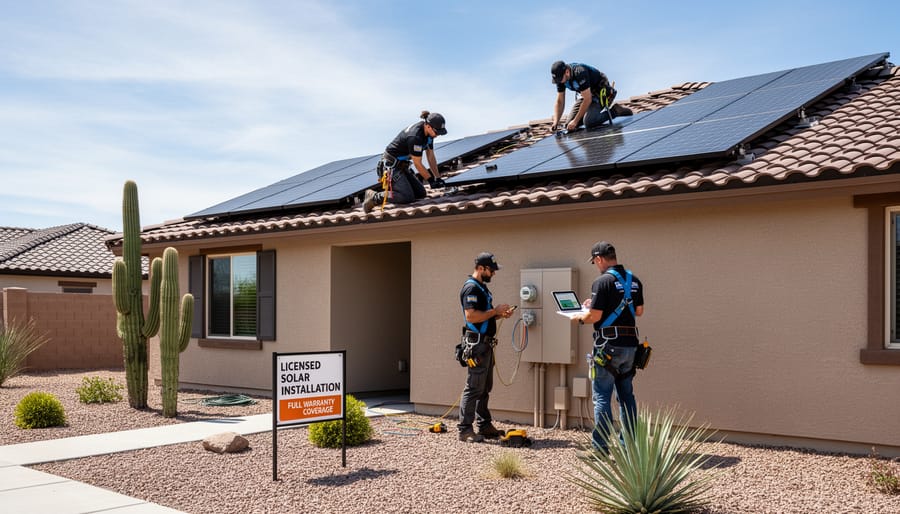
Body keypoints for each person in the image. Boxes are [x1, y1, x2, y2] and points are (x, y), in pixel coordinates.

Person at [574, 241, 644, 452]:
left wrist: (578, 317)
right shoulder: (634, 281)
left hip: (608, 346)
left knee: (602, 396)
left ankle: (601, 447)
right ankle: (628, 446)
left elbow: (594, 317)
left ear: (599, 259)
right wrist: (594, 304)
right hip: (631, 346)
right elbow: (638, 311)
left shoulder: (601, 282)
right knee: (626, 396)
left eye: (595, 261)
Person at [457, 252, 513, 442]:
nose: (494, 274)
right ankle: (465, 429)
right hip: (477, 345)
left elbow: (485, 314)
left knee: (485, 387)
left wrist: (499, 314)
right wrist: (494, 311)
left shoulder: (482, 288)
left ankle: (484, 425)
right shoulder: (471, 288)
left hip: (486, 344)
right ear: (481, 268)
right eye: (491, 270)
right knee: (474, 387)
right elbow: (471, 316)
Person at [363, 111, 448, 213]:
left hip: (402, 167)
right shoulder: (415, 136)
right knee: (406, 197)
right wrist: (430, 180)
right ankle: (374, 196)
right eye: (437, 132)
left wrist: (437, 177)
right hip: (391, 167)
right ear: (428, 126)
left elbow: (430, 156)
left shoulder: (429, 135)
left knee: (420, 193)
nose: (437, 135)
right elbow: (417, 164)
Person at [550, 60, 633, 132]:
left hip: (600, 91)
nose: (559, 82)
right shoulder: (561, 80)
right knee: (569, 125)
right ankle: (584, 117)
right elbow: (560, 101)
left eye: (560, 79)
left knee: (589, 121)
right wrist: (556, 122)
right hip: (585, 93)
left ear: (567, 72)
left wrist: (575, 121)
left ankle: (615, 111)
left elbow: (588, 99)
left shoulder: (579, 72)